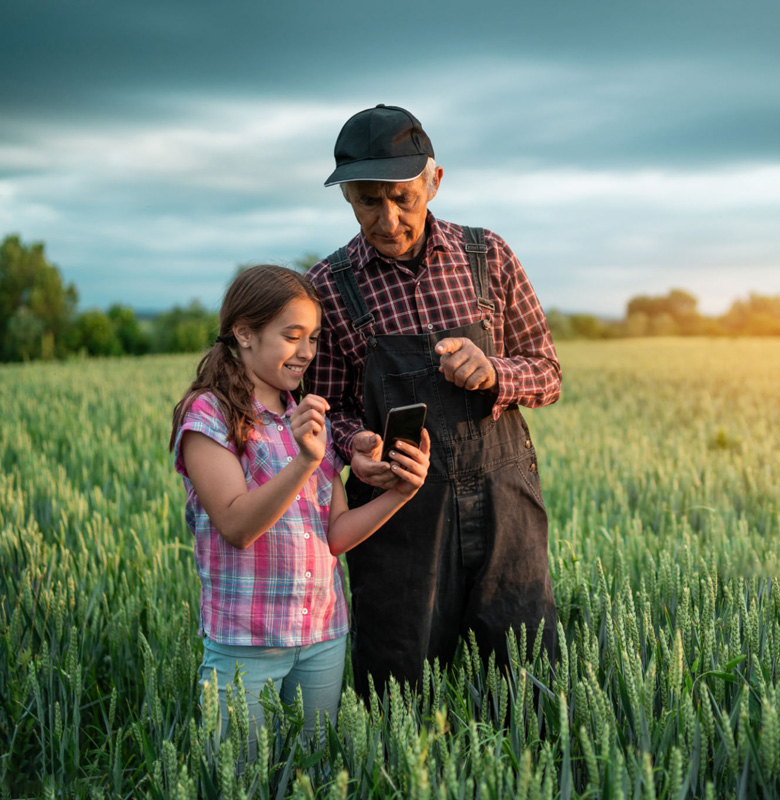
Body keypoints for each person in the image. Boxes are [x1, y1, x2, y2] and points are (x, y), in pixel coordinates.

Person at [304, 104, 561, 695]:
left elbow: (548, 373)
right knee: (397, 690)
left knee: (526, 685)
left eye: (403, 197)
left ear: (434, 181)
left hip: (504, 506)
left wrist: (494, 372)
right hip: (396, 514)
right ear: (346, 197)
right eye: (368, 201)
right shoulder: (328, 287)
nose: (388, 219)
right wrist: (355, 445)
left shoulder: (488, 256)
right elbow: (325, 409)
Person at [169, 264, 431, 742]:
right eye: (292, 336)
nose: (307, 352)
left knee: (315, 771)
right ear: (244, 333)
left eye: (313, 338)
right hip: (246, 642)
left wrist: (401, 493)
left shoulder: (310, 418)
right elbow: (236, 525)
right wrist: (305, 461)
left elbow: (336, 536)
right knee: (240, 775)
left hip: (322, 636)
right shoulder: (209, 414)